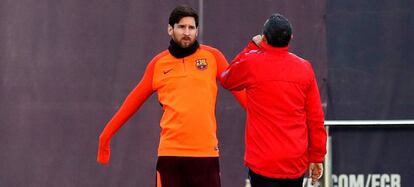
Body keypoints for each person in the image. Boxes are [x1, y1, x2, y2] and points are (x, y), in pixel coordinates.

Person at [97, 5, 246, 187]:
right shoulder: (158, 64)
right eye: (181, 27)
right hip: (170, 155)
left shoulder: (213, 57)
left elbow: (242, 94)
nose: (187, 32)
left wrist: (271, 117)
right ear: (170, 29)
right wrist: (105, 136)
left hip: (205, 154)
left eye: (191, 28)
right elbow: (131, 103)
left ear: (197, 31)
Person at [220, 13, 327, 187]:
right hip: (295, 162)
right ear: (291, 38)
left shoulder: (252, 62)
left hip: (263, 162)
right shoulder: (304, 68)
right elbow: (315, 118)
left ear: (264, 38)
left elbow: (226, 79)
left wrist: (251, 46)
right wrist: (317, 156)